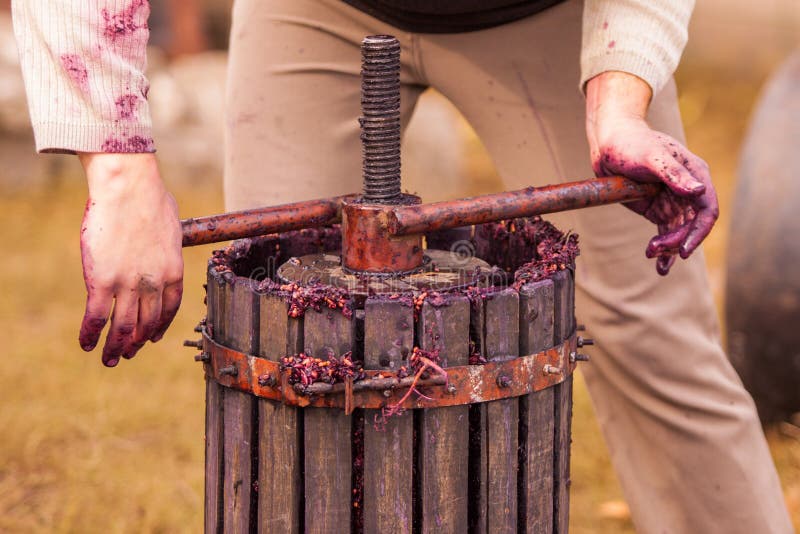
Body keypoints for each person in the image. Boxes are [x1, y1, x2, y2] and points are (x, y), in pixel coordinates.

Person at [11, 0, 793, 532]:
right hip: (316, 11)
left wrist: (622, 93)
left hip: (541, 13)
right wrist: (116, 171)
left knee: (648, 329)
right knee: (289, 336)